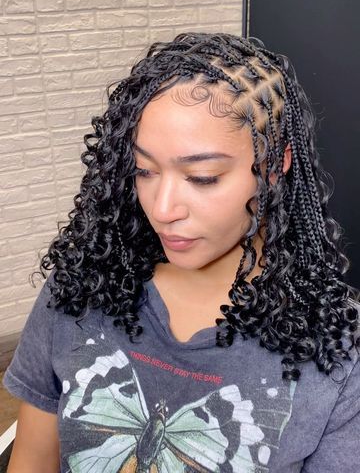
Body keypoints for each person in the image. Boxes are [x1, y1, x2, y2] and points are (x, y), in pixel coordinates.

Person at [3, 32, 360, 473]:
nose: (162, 209)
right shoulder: (80, 286)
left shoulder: (338, 350)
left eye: (203, 177)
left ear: (274, 166)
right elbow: (32, 462)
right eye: (143, 170)